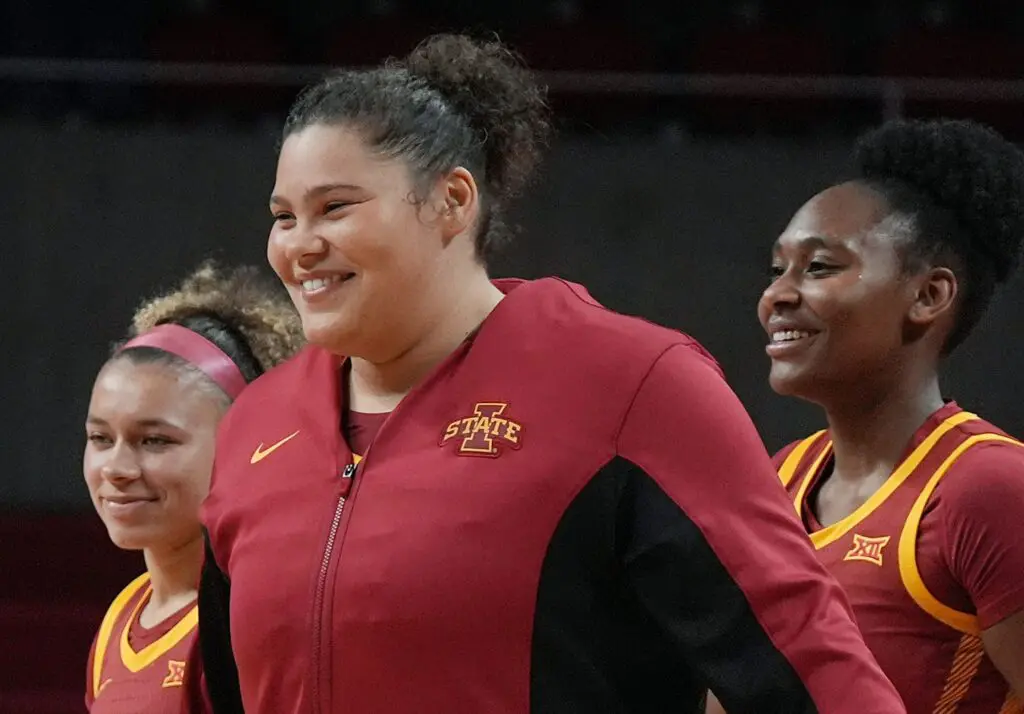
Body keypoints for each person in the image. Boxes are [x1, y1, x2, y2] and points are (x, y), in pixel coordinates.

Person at [183, 33, 905, 714]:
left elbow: (816, 674)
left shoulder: (631, 387)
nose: (299, 246)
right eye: (284, 217)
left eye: (334, 208)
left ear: (452, 202)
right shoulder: (256, 426)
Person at [754, 118, 1024, 713]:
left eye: (818, 267)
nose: (777, 296)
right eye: (777, 270)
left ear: (928, 296)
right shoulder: (778, 479)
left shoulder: (989, 489)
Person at [82, 262, 304, 713]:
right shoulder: (122, 616)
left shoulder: (260, 619)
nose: (117, 468)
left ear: (244, 443)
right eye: (101, 438)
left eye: (155, 441)